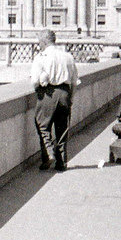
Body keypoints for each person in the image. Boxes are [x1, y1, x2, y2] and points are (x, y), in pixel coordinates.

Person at [30, 29, 79, 172]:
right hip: (65, 93)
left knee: (42, 125)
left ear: (44, 42)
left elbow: (34, 82)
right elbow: (75, 82)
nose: (39, 45)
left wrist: (41, 82)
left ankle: (48, 154)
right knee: (62, 129)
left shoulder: (41, 57)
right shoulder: (67, 56)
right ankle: (61, 162)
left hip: (48, 94)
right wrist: (70, 98)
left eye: (39, 42)